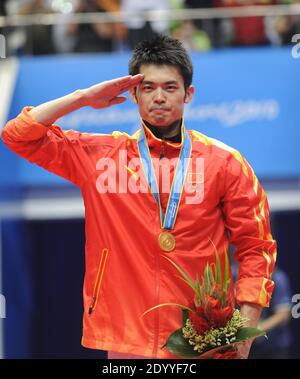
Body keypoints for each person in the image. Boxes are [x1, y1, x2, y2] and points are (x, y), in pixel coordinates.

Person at [1, 35, 277, 359]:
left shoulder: (226, 163)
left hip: (205, 341)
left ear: (189, 94)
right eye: (148, 87)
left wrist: (244, 330)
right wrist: (83, 97)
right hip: (126, 339)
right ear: (133, 93)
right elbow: (17, 135)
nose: (159, 97)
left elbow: (256, 248)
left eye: (170, 87)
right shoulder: (101, 158)